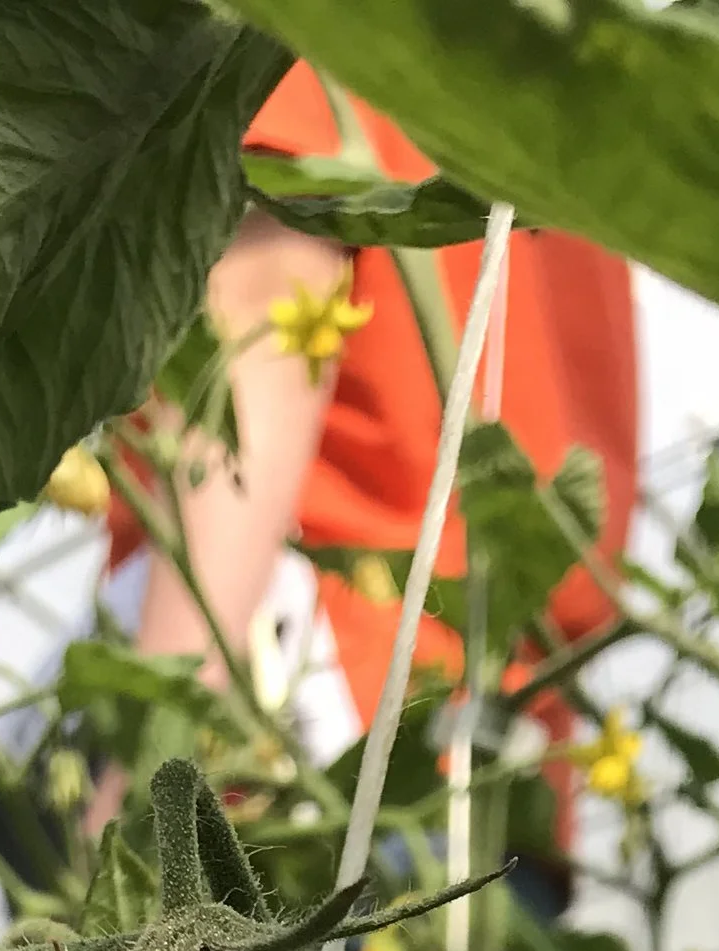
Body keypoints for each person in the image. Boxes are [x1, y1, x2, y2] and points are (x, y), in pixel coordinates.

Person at [119, 67, 639, 793]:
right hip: (508, 764)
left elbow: (268, 286)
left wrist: (152, 780)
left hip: (325, 724)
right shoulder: (576, 67)